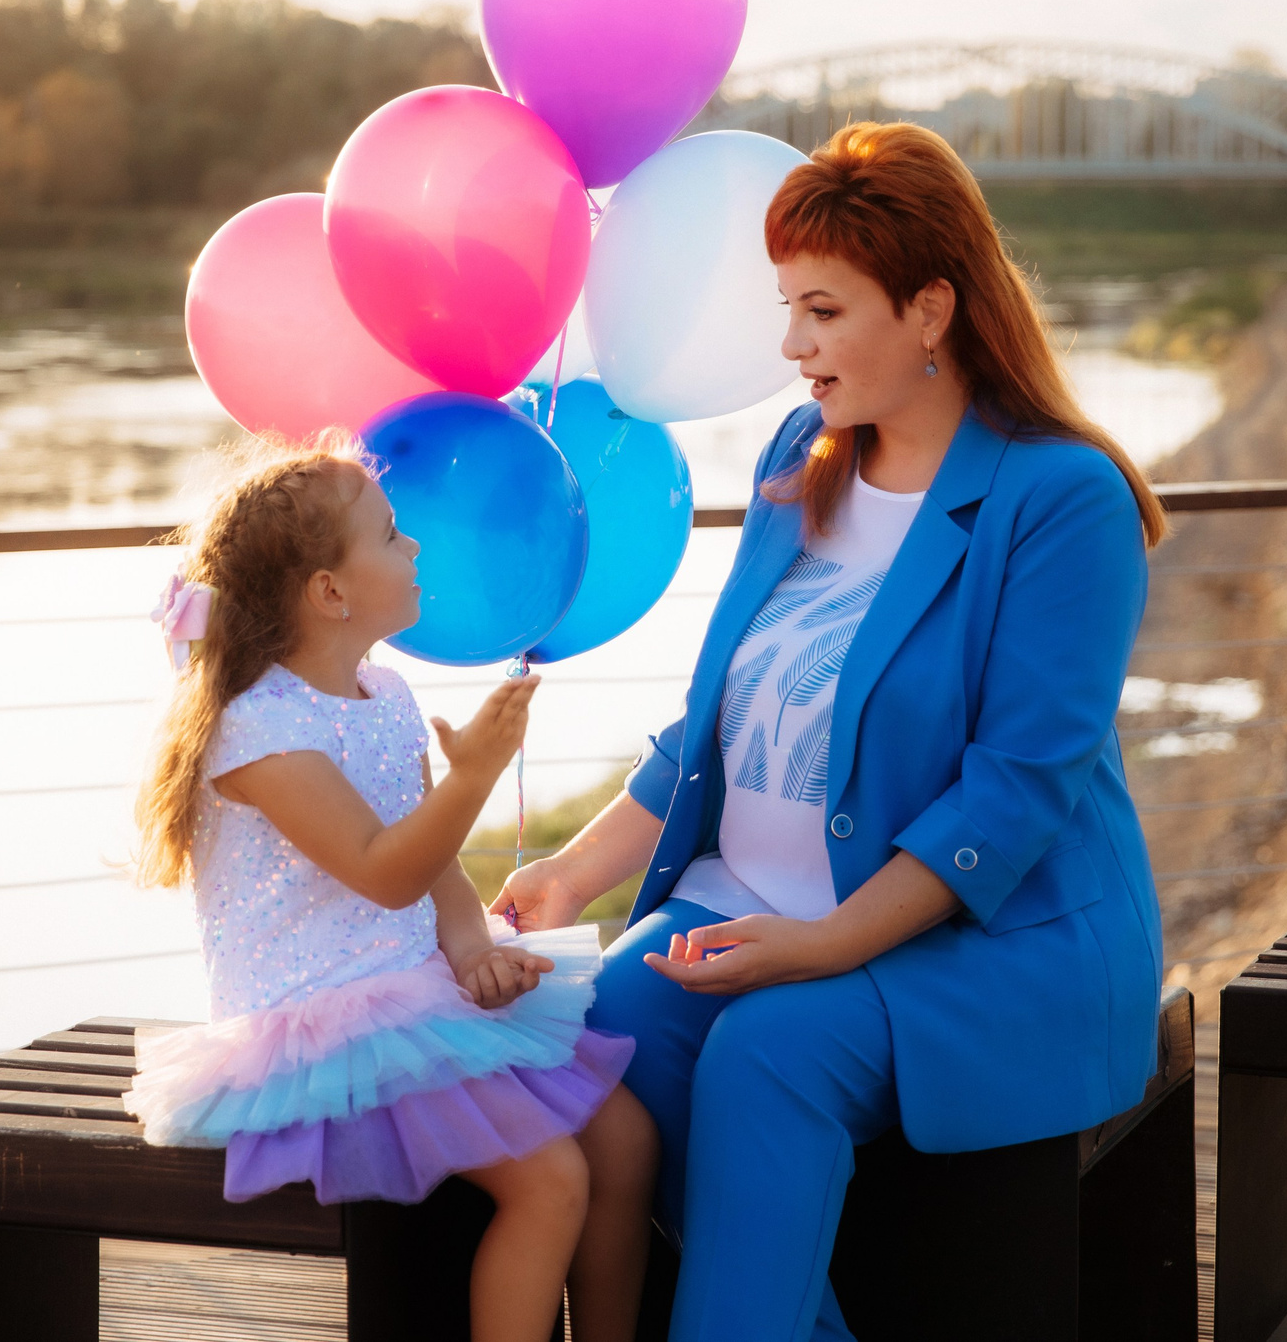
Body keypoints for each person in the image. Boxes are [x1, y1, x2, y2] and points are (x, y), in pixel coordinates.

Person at [498, 122, 1170, 1342]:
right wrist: (568, 871)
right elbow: (722, 721)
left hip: (988, 942)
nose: (790, 344)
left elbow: (1017, 787)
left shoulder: (1062, 500)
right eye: (784, 307)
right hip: (748, 906)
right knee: (598, 1033)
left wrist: (824, 945)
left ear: (928, 309)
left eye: (821, 308)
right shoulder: (798, 455)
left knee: (768, 1051)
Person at [121, 435, 657, 1342]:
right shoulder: (256, 731)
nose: (416, 550)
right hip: (322, 1018)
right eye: (392, 534)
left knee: (626, 1141)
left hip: (413, 986)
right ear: (330, 593)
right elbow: (382, 868)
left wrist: (474, 948)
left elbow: (435, 870)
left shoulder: (387, 692)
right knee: (551, 1180)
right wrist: (472, 780)